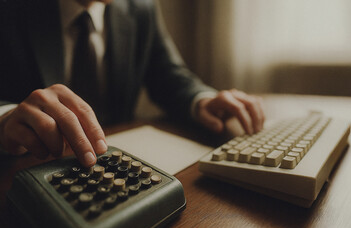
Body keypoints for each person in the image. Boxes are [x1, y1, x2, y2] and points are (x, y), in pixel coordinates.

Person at [0, 0, 265, 168]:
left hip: (120, 170)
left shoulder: (141, 7)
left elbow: (168, 75)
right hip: (29, 173)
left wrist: (202, 100)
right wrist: (6, 119)